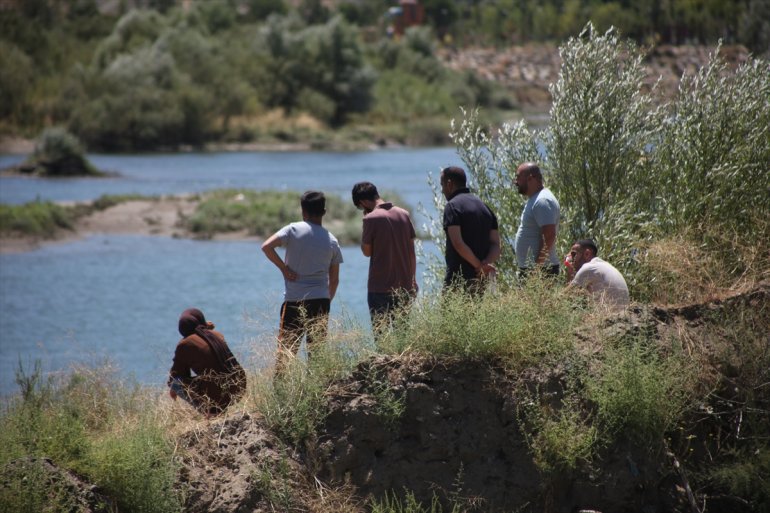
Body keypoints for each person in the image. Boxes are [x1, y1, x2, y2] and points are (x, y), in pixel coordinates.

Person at [261, 191, 343, 373]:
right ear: (324, 212)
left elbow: (266, 247)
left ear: (303, 211)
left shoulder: (293, 229)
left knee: (285, 356)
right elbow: (335, 280)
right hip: (321, 301)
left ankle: (280, 395)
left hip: (294, 301)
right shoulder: (332, 240)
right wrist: (325, 301)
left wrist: (284, 269)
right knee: (317, 356)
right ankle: (317, 397)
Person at [351, 181, 417, 333]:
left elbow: (366, 252)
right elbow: (411, 252)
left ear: (362, 202)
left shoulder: (370, 219)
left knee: (381, 337)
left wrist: (365, 224)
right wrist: (412, 280)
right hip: (404, 286)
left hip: (380, 288)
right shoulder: (403, 214)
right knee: (403, 336)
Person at [168, 308, 247, 416]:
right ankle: (218, 410)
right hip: (238, 386)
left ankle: (211, 412)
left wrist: (173, 389)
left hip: (216, 396)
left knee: (176, 383)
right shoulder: (217, 335)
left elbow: (177, 373)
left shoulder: (184, 344)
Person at [440, 166, 501, 293]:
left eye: (442, 185)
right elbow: (496, 244)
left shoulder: (452, 206)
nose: (442, 191)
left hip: (458, 279)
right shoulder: (484, 207)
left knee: (451, 313)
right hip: (480, 278)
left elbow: (458, 243)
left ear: (449, 184)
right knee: (476, 312)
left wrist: (478, 265)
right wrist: (485, 265)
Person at [513, 162, 561, 276]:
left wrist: (536, 269)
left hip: (542, 270)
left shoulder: (542, 200)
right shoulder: (536, 199)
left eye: (518, 177)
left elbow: (549, 235)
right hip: (536, 269)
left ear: (530, 178)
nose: (516, 182)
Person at [566, 239, 630, 309]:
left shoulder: (588, 267)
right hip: (620, 316)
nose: (571, 259)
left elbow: (566, 297)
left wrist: (570, 271)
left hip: (608, 317)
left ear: (587, 254)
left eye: (573, 254)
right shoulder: (604, 265)